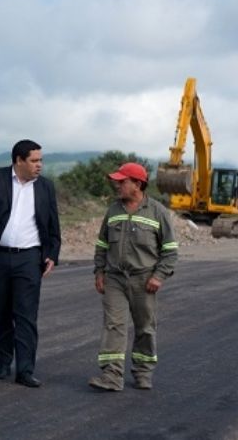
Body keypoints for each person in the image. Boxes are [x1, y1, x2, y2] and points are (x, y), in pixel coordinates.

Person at [0, 139, 61, 388]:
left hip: (29, 258)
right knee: (0, 312)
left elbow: (52, 226)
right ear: (19, 160)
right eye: (34, 160)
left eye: (41, 160)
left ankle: (25, 370)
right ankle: (3, 363)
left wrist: (52, 254)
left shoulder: (46, 187)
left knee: (26, 315)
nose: (39, 165)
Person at [89, 162, 178, 392]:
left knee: (145, 327)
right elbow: (102, 244)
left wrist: (159, 276)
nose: (117, 185)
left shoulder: (158, 211)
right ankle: (112, 375)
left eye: (122, 181)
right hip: (115, 279)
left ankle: (143, 372)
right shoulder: (113, 210)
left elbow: (170, 250)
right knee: (113, 325)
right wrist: (99, 271)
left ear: (137, 184)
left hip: (144, 280)